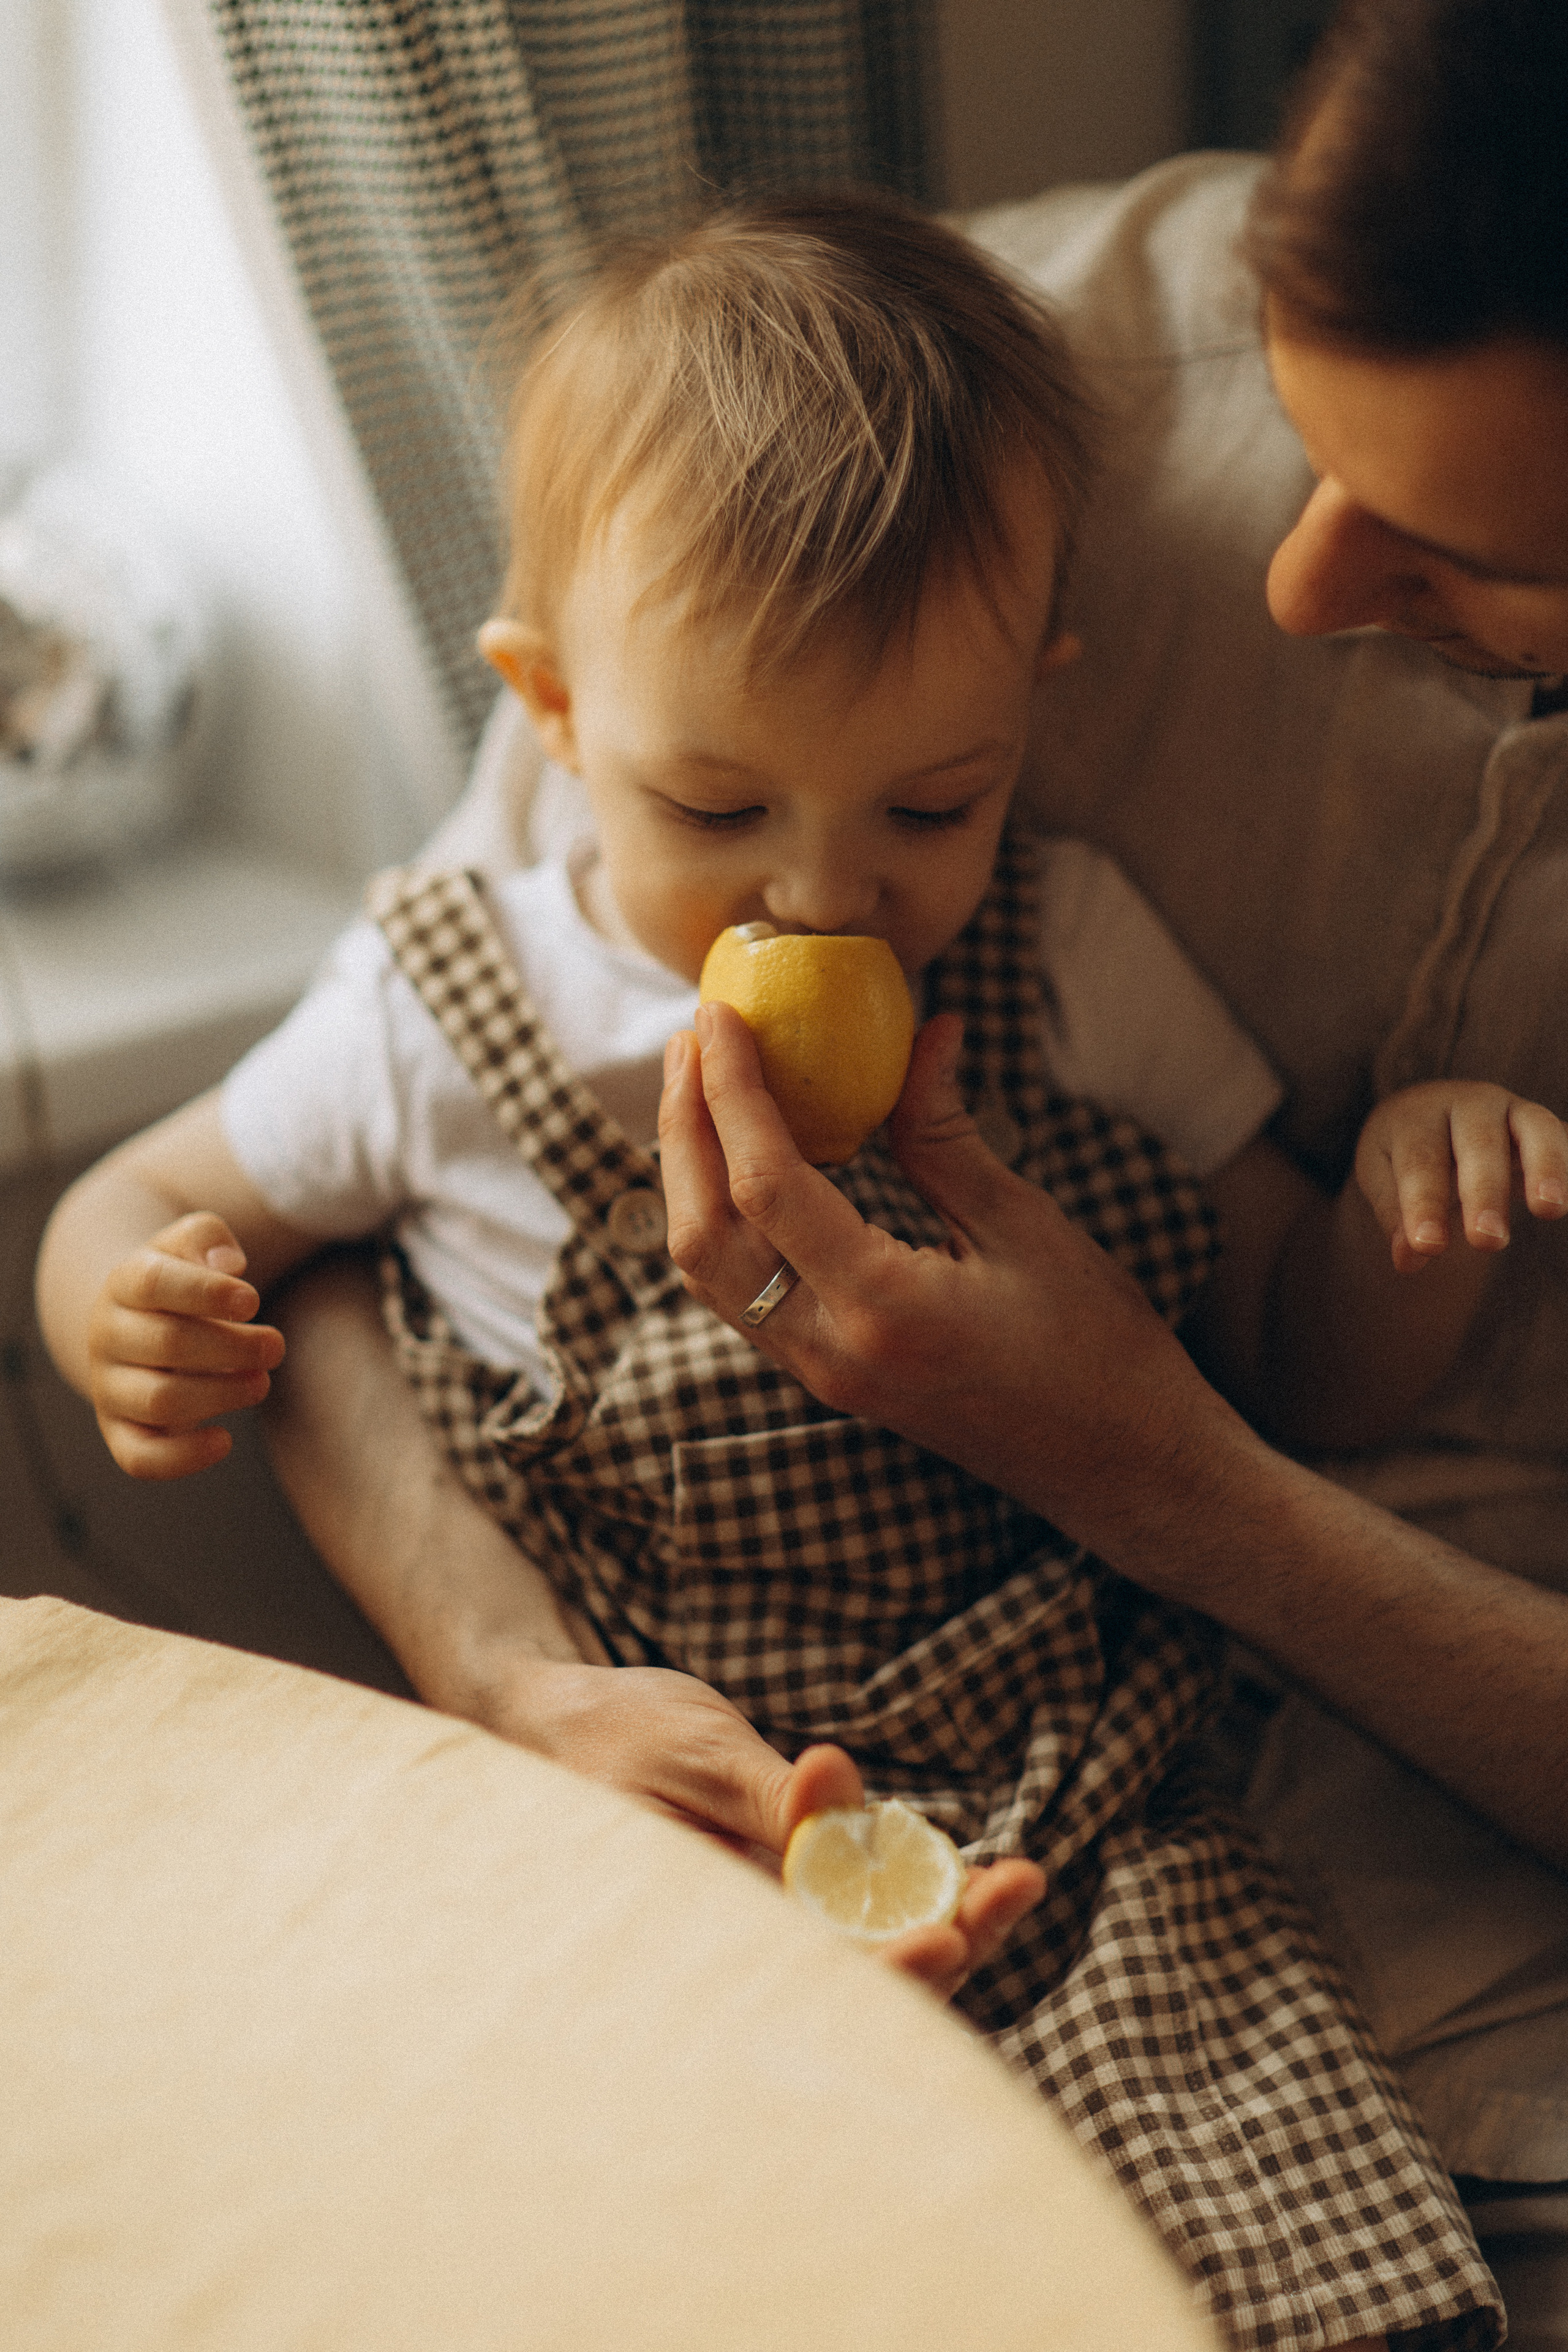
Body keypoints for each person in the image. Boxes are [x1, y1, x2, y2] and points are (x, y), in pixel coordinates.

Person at [31, 189, 1529, 2348]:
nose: (837, 892)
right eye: (715, 806)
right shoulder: (446, 1009)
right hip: (645, 1804)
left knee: (1288, 2254)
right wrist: (129, 1315)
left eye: (934, 807)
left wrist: (1408, 1216)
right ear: (552, 715)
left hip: (1089, 1829)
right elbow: (127, 1209)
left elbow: (1302, 1373)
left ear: (1034, 709)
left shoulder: (1073, 954)